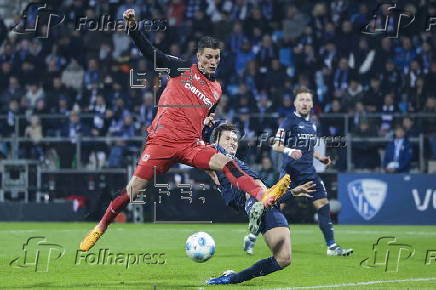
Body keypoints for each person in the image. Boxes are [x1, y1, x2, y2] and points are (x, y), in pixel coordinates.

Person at [79, 9, 289, 252]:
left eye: (217, 58)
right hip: (162, 142)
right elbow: (150, 53)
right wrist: (133, 27)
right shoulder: (180, 69)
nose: (213, 62)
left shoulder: (216, 90)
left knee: (225, 161)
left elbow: (204, 114)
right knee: (132, 190)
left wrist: (206, 122)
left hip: (190, 144)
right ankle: (100, 227)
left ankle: (263, 195)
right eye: (208, 57)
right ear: (198, 56)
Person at [244, 87, 353, 256]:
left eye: (308, 100)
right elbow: (276, 145)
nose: (305, 103)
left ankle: (332, 247)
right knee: (274, 205)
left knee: (323, 204)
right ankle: (251, 236)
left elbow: (307, 148)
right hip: (290, 174)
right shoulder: (288, 122)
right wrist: (289, 151)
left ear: (312, 104)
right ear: (295, 103)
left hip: (308, 173)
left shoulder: (313, 125)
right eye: (301, 99)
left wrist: (319, 157)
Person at [204, 123, 315, 285]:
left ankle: (233, 278)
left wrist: (292, 193)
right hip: (257, 202)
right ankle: (260, 202)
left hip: (263, 203)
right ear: (216, 142)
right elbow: (199, 148)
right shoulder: (214, 156)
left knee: (284, 259)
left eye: (235, 139)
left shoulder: (235, 162)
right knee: (282, 258)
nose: (233, 142)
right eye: (227, 139)